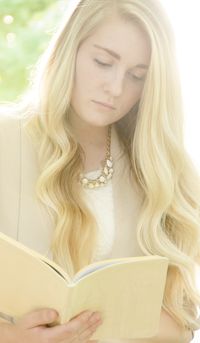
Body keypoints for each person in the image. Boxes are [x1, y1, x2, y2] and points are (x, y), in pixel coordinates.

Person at [0, 0, 199, 342]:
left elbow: (180, 320)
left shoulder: (160, 171)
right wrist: (12, 336)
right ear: (69, 50)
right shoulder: (7, 140)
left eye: (137, 76)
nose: (117, 89)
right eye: (103, 62)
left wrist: (90, 332)